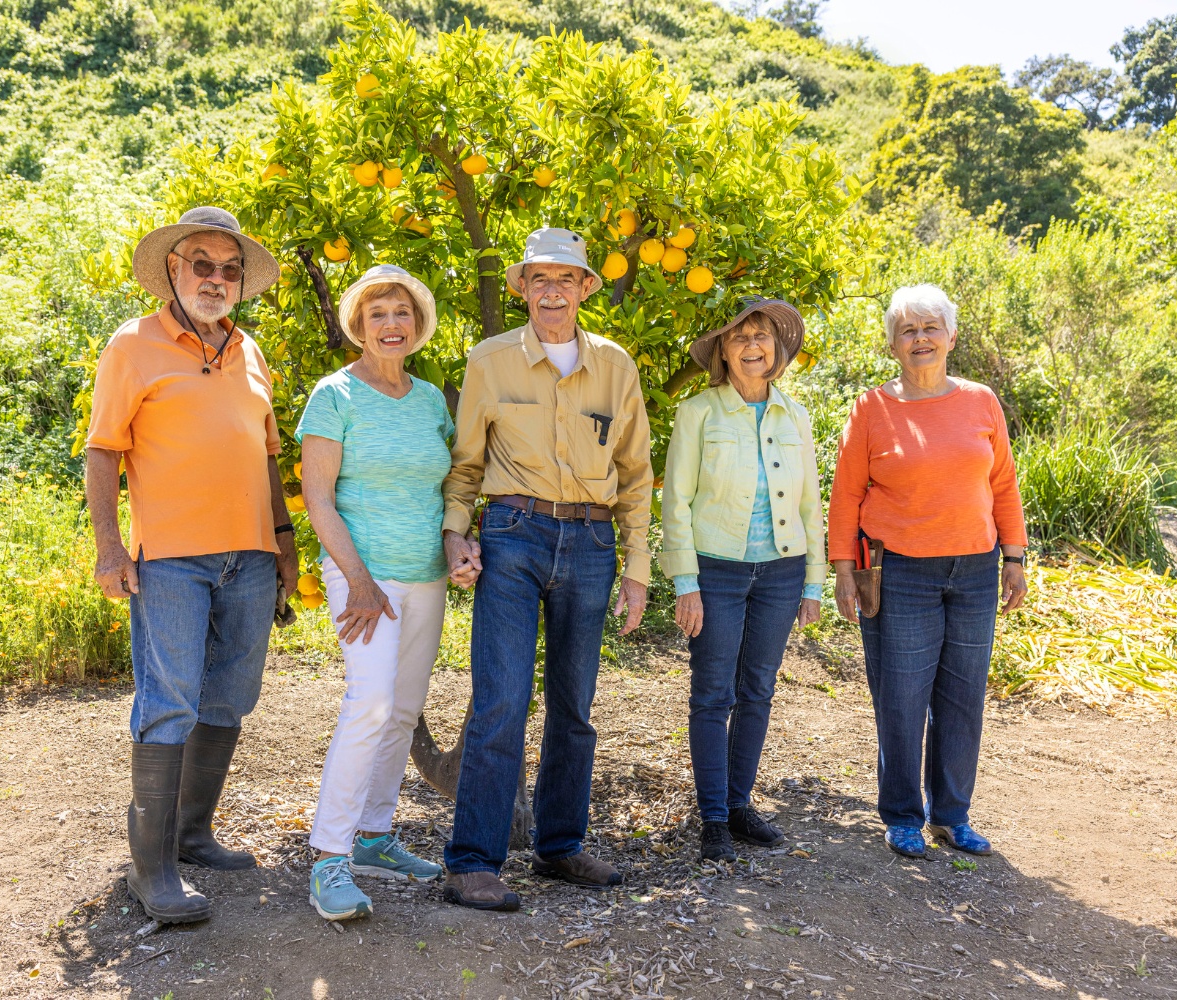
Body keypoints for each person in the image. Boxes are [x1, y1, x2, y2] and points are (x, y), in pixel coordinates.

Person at [85, 206, 296, 924]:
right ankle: (154, 872)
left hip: (252, 555)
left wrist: (285, 543)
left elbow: (267, 457)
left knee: (230, 695)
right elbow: (103, 450)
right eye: (201, 264)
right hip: (171, 557)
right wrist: (110, 548)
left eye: (228, 269)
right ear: (174, 269)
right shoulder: (132, 345)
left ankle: (193, 832)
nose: (216, 278)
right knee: (169, 697)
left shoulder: (250, 350)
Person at [439, 228, 653, 912]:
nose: (553, 290)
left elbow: (636, 474)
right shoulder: (490, 361)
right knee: (500, 700)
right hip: (512, 534)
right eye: (539, 279)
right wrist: (455, 534)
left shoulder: (617, 366)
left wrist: (638, 565)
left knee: (575, 705)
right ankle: (473, 860)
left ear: (587, 287)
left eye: (567, 278)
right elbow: (467, 465)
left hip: (591, 542)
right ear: (521, 288)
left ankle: (560, 847)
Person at [829, 283, 1028, 860]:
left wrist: (1013, 557)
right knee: (902, 696)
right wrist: (844, 568)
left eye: (930, 328)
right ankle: (901, 816)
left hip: (974, 570)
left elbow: (1003, 485)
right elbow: (846, 495)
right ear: (893, 344)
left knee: (963, 696)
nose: (920, 339)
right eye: (908, 331)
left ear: (951, 337)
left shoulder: (981, 401)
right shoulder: (872, 407)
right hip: (899, 573)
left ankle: (951, 815)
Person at [296, 265, 468, 921]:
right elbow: (317, 499)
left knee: (403, 709)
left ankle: (373, 836)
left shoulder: (429, 401)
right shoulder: (333, 395)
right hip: (360, 572)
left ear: (417, 325)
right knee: (368, 702)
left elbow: (447, 487)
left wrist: (457, 544)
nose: (391, 324)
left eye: (401, 313)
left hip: (424, 572)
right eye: (377, 314)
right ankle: (329, 859)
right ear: (359, 327)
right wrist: (360, 581)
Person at [660, 299, 826, 863]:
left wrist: (812, 583)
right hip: (717, 572)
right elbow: (675, 501)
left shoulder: (794, 415)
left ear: (777, 349)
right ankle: (711, 820)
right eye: (740, 338)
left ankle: (737, 804)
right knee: (713, 694)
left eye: (763, 336)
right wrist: (686, 580)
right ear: (722, 352)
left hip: (781, 572)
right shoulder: (699, 412)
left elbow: (809, 503)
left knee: (758, 689)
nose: (753, 346)